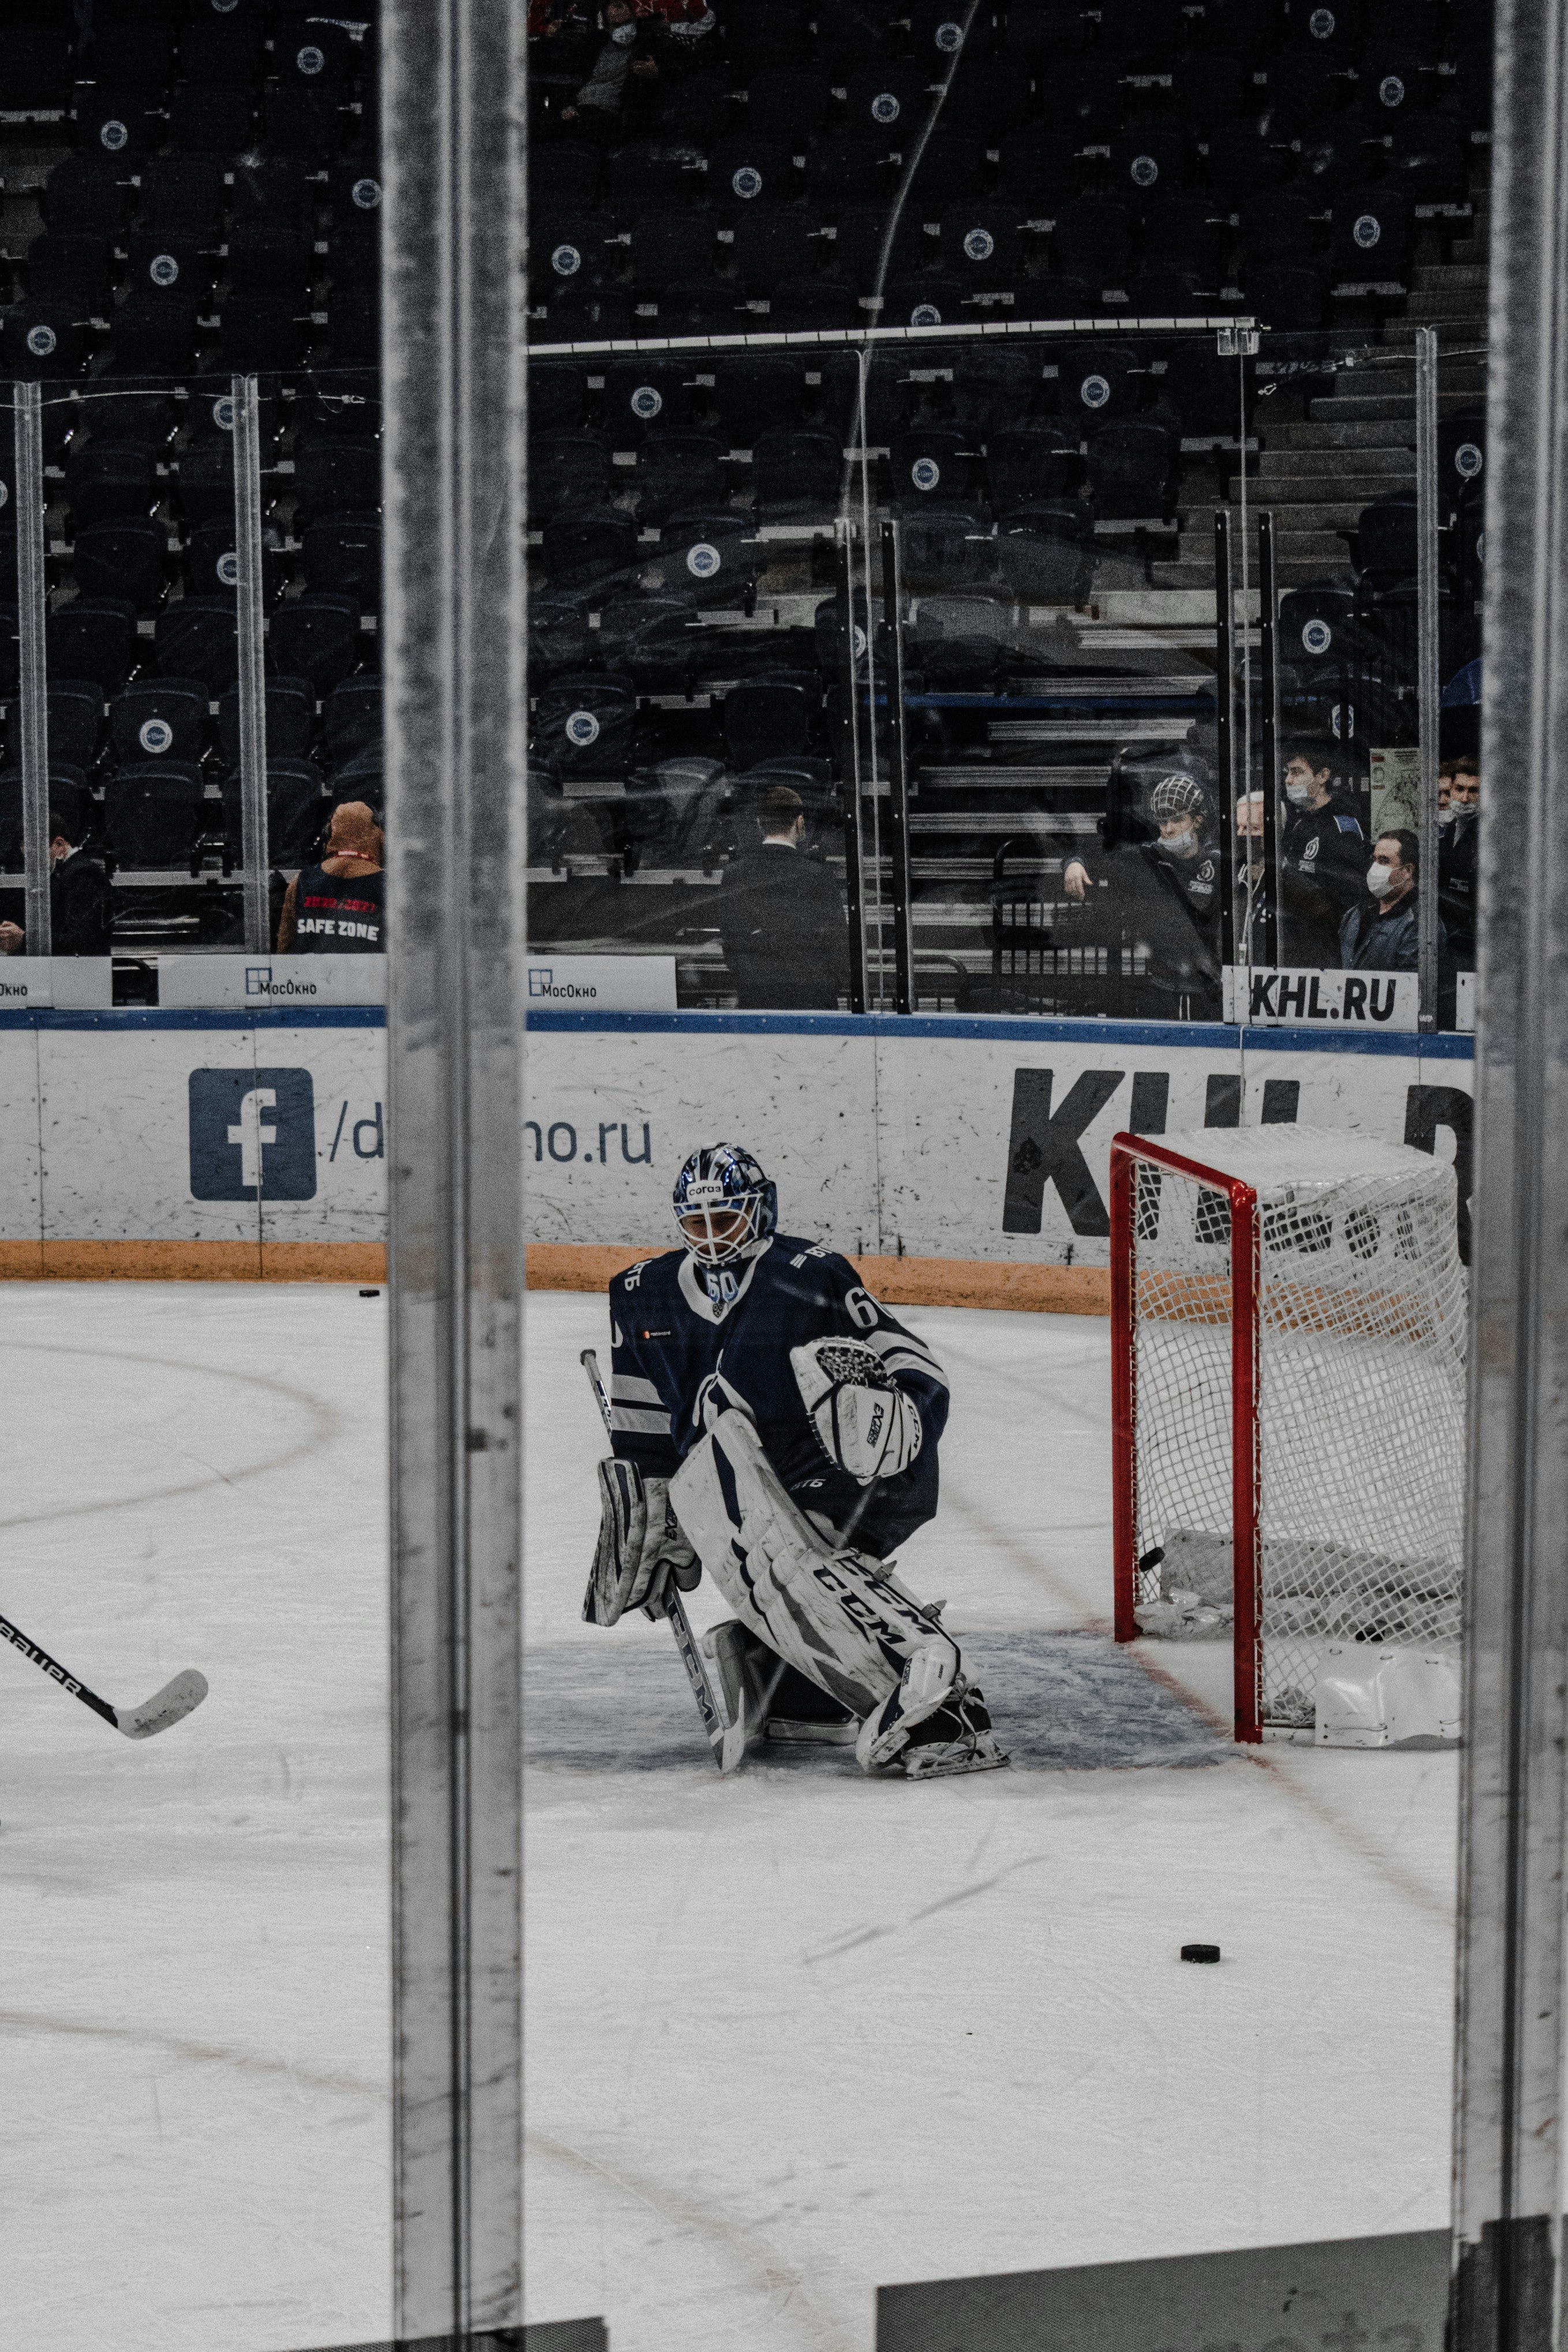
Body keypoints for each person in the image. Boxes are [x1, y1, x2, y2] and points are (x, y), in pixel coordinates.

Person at [585, 1142, 1007, 1780]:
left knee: (794, 1556)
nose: (711, 1239)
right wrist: (655, 1514)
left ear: (760, 1211)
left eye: (724, 1220)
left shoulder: (808, 1274)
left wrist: (908, 1419)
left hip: (849, 1465)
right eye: (696, 1224)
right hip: (739, 1478)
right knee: (761, 1567)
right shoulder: (641, 1294)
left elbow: (913, 1364)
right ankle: (793, 1682)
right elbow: (643, 1429)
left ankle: (945, 1705)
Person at [1063, 766, 1223, 1018]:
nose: (1168, 829)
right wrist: (1074, 862)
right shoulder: (1147, 857)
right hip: (1161, 986)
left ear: (1198, 820)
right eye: (1162, 821)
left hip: (1210, 992)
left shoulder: (1219, 861)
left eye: (1178, 820)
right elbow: (1098, 849)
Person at [715, 784, 851, 1009]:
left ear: (759, 822)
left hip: (757, 993)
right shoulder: (818, 874)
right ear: (799, 821)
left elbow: (732, 939)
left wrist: (749, 982)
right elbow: (837, 939)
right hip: (814, 994)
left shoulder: (734, 874)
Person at [1278, 743, 1365, 966]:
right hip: (1290, 937)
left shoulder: (1340, 826)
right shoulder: (1296, 820)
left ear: (1323, 775)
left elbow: (1349, 898)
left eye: (1297, 772)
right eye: (1287, 772)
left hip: (1323, 944)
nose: (1289, 780)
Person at [0, 810, 113, 956]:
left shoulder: (84, 875)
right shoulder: (64, 873)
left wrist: (24, 940)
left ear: (59, 844)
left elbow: (79, 940)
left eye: (36, 854)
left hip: (82, 972)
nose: (32, 863)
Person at [277, 800, 384, 953]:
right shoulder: (389, 887)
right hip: (368, 976)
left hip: (310, 976)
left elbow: (284, 950)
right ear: (379, 837)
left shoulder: (301, 882)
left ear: (329, 833)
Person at [1339, 829, 1445, 971]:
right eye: (1374, 860)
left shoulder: (1422, 925)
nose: (1375, 868)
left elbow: (1408, 986)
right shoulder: (1355, 914)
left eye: (1384, 861)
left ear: (1407, 871)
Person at [558, 0, 658, 131]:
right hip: (581, 106)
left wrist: (656, 71)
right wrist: (568, 106)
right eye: (617, 25)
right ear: (606, 26)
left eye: (628, 23)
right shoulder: (595, 45)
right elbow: (573, 75)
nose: (624, 29)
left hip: (608, 115)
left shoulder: (645, 45)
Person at [1438, 752, 1479, 970]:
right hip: (1447, 937)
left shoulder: (1490, 836)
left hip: (1472, 941)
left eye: (1474, 791)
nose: (1464, 799)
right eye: (1460, 789)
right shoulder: (1449, 829)